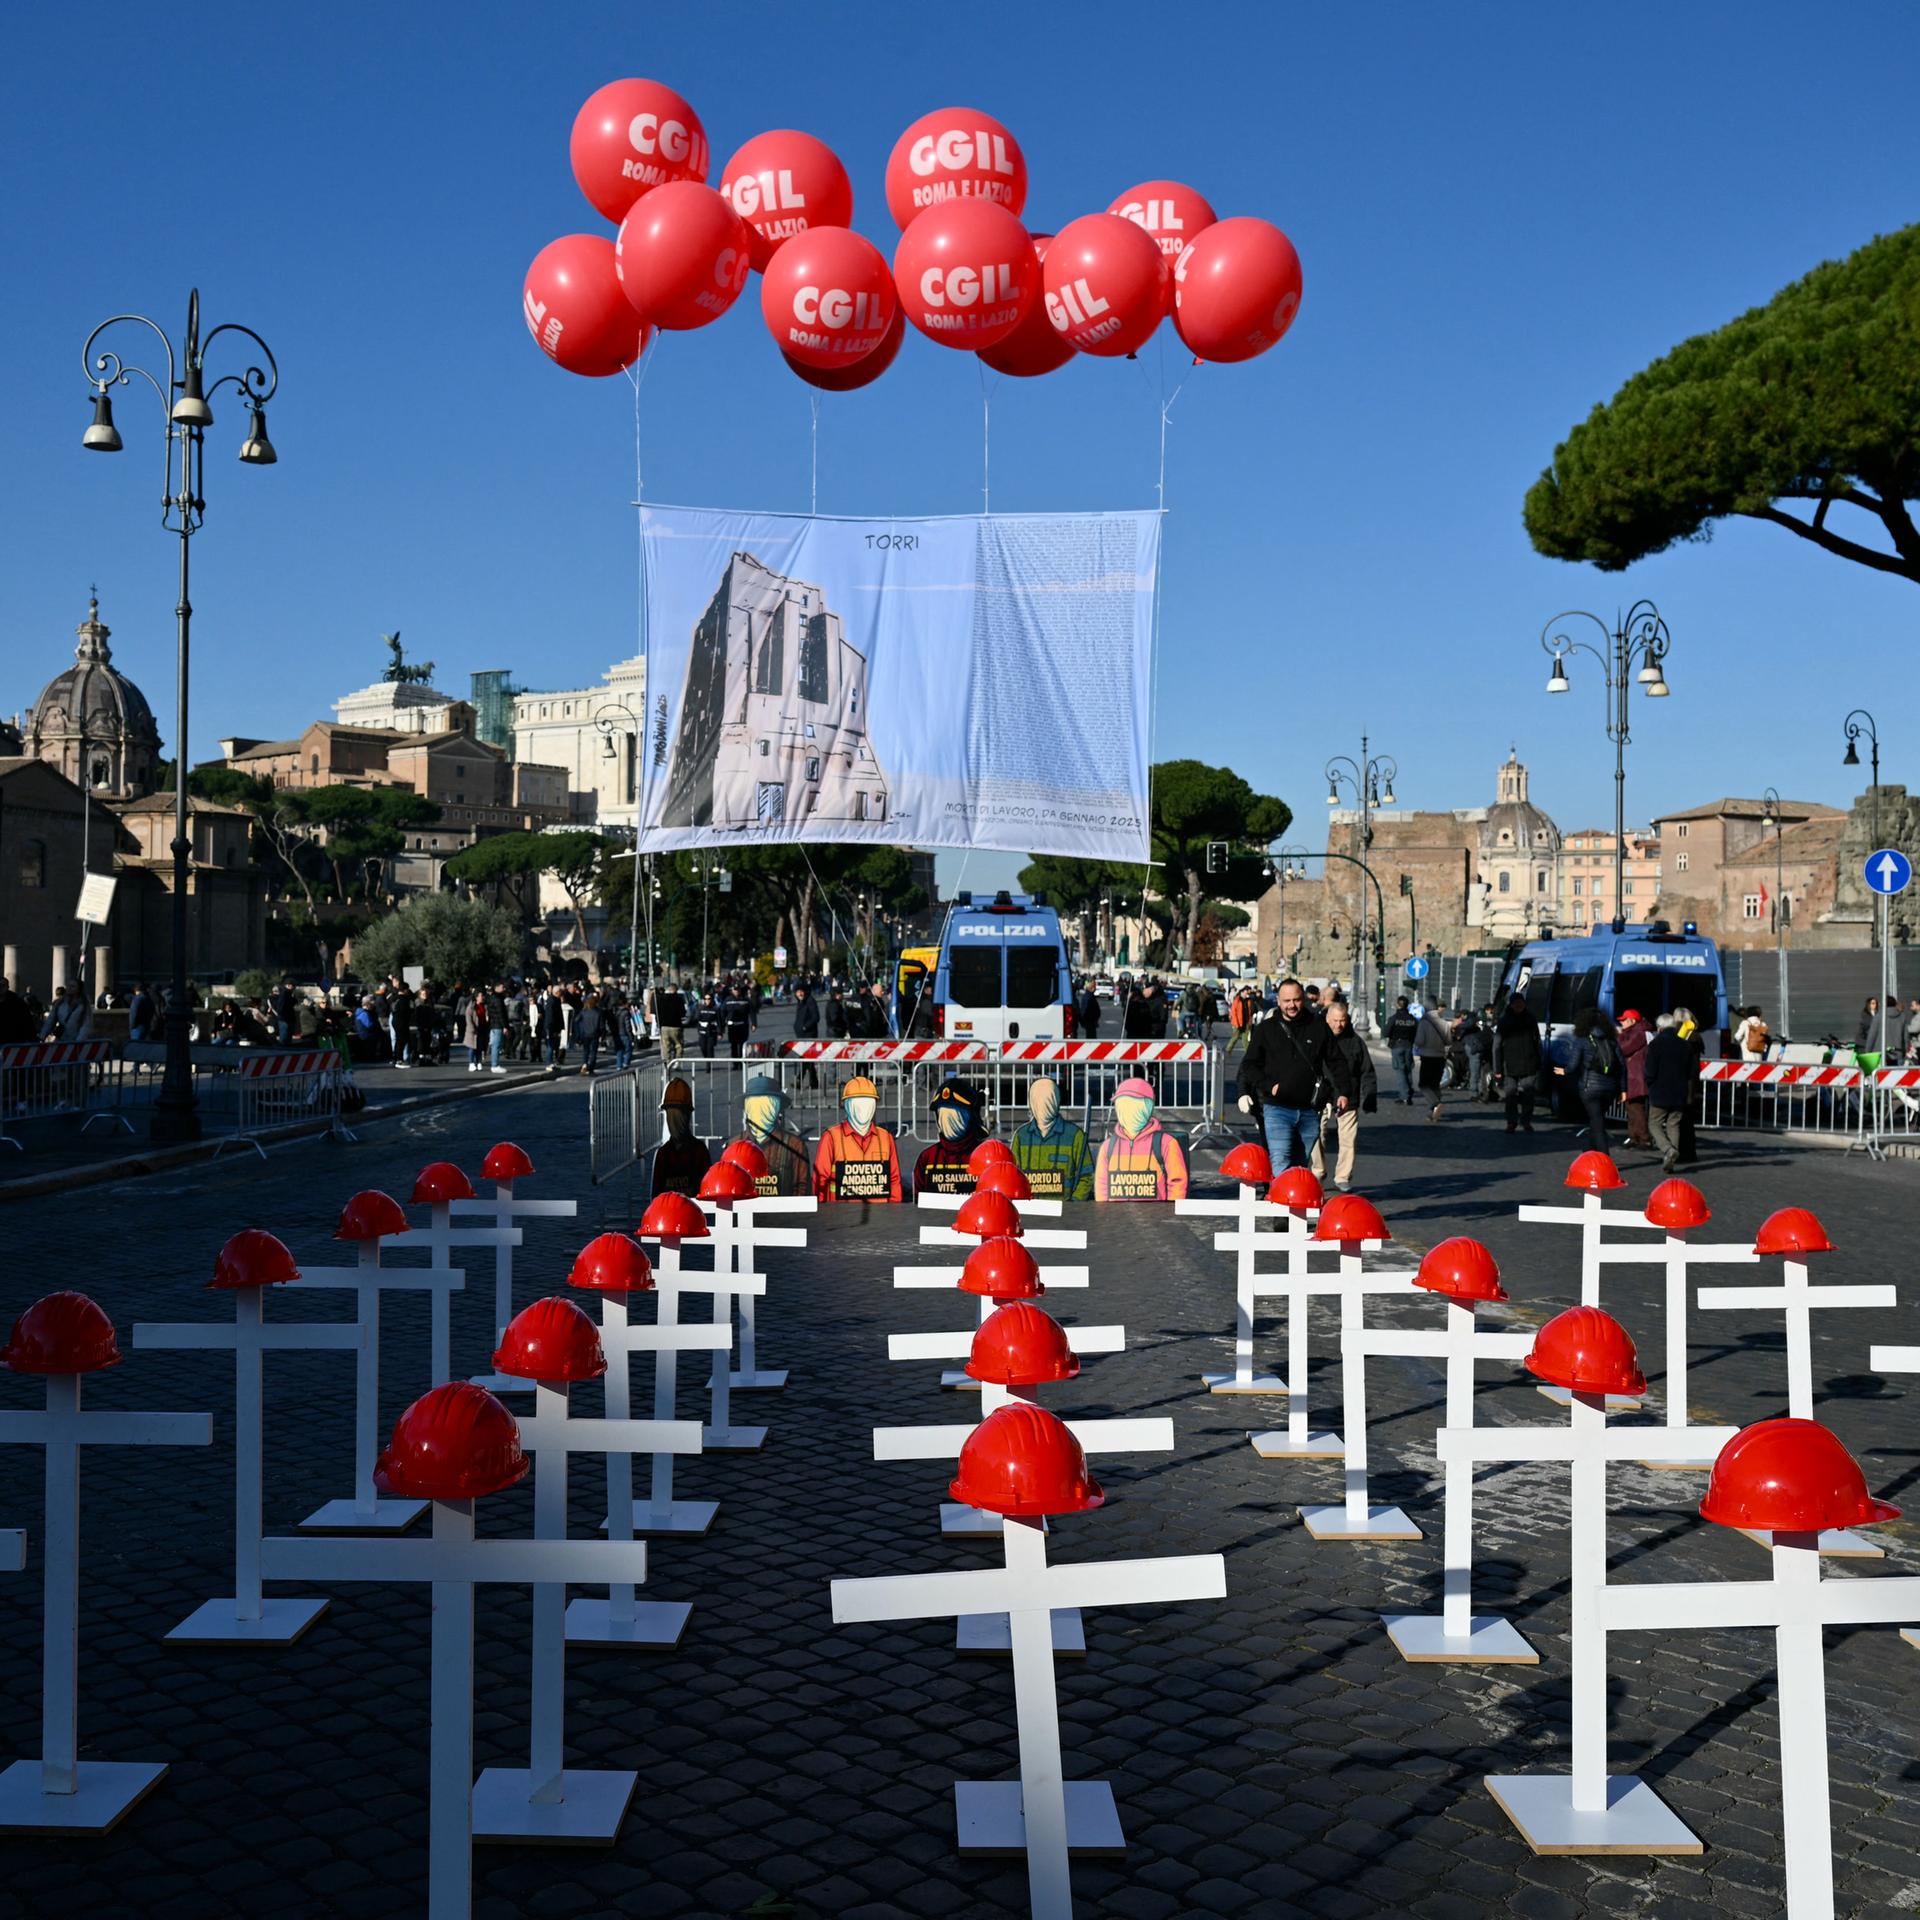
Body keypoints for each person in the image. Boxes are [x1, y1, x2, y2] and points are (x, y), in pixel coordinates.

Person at [1235, 978, 1329, 1172]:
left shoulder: (1317, 1027)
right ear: (1278, 1001)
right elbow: (1248, 1066)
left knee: (1298, 1164)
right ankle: (1278, 1198)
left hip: (1308, 1108)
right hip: (1273, 1106)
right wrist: (1250, 1091)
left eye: (1296, 1000)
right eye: (1286, 1001)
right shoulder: (1266, 1030)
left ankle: (1291, 1198)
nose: (1291, 1005)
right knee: (1279, 1158)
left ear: (1302, 999)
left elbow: (1333, 1063)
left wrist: (1337, 1093)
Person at [1311, 1000, 1376, 1193]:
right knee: (1316, 1135)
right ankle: (1318, 1170)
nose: (1339, 1025)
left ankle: (1343, 1176)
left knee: (1348, 1139)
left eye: (1342, 1020)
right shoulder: (1317, 1038)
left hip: (1349, 1096)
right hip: (1321, 1096)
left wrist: (1370, 1096)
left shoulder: (1356, 1042)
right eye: (1335, 1020)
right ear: (1327, 1018)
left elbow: (1367, 1071)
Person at [1094, 1077, 1190, 1200]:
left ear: (1145, 1108)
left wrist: (1169, 1214)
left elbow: (1177, 1183)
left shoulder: (1166, 1144)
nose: (1126, 1113)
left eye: (1131, 1108)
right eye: (1122, 1107)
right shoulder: (1108, 1147)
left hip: (1156, 1217)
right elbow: (1102, 1185)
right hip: (1117, 1216)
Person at [813, 1074, 903, 1202]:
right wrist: (823, 1214)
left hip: (879, 1216)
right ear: (847, 1105)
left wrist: (893, 1212)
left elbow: (894, 1180)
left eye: (868, 1103)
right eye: (858, 1103)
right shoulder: (831, 1138)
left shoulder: (885, 1138)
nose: (864, 1109)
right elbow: (820, 1180)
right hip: (841, 1215)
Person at [1011, 1075, 1094, 1201]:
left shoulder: (1075, 1136)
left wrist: (1074, 1204)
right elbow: (1012, 1176)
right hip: (1030, 1212)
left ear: (1056, 1101)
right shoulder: (1021, 1137)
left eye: (1048, 1100)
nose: (1043, 1106)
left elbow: (1087, 1176)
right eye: (1038, 1101)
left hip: (1064, 1215)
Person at [1555, 1008, 1622, 1154]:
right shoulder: (1612, 1041)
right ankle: (1588, 1151)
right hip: (1609, 1087)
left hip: (1589, 1086)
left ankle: (1605, 1157)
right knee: (1596, 1119)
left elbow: (1573, 1065)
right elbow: (1622, 1066)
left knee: (1597, 1122)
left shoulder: (1582, 1041)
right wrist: (1623, 1089)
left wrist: (1563, 1071)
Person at [740, 1075, 812, 1196]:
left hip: (784, 1214)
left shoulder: (795, 1146)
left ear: (776, 1107)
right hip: (745, 1214)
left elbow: (802, 1188)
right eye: (755, 1104)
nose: (760, 1110)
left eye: (767, 1104)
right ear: (747, 1107)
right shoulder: (734, 1144)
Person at [912, 1079, 986, 1195]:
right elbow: (918, 1201)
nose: (947, 1119)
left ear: (971, 1117)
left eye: (956, 1113)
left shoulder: (985, 1156)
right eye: (942, 1113)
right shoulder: (927, 1158)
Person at [1644, 1012, 1691, 1174]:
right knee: (1673, 1124)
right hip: (1679, 1092)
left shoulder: (1655, 1045)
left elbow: (1650, 1070)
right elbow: (1690, 1071)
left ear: (1660, 1027)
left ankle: (1667, 1150)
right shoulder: (1685, 1045)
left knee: (1654, 1124)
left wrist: (1649, 1083)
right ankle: (1671, 1156)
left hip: (1659, 1090)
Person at [649, 1076, 712, 1198]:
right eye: (671, 1115)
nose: (674, 1121)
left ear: (686, 1115)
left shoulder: (699, 1151)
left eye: (677, 1115)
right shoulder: (663, 1153)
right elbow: (656, 1197)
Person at [1493, 994, 1542, 1134]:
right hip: (1509, 1064)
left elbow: (1537, 1041)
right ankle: (1511, 1122)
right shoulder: (1504, 1021)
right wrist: (1497, 1069)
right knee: (1510, 1095)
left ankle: (1526, 1121)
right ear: (1511, 1004)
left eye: (1521, 1003)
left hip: (1529, 1063)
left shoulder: (1531, 1019)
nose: (1519, 1006)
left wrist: (1539, 1061)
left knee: (1528, 1095)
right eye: (1516, 1003)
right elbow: (1496, 1046)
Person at [1616, 1007, 1652, 1149]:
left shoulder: (1638, 1034)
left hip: (1635, 1077)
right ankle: (1634, 1136)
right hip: (1634, 1076)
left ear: (1632, 1020)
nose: (1622, 1024)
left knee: (1636, 1109)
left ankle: (1643, 1138)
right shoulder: (1638, 1032)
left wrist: (1619, 1036)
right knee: (1631, 1108)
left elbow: (1623, 1048)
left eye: (1624, 1020)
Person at [1414, 1003, 1452, 1121]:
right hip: (1440, 1057)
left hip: (1427, 1056)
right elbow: (1448, 1041)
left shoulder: (1424, 1022)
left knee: (1424, 1084)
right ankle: (1434, 1113)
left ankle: (1436, 1103)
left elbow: (1419, 1041)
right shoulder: (1444, 1023)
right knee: (1435, 1085)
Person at [1383, 997, 1418, 1105]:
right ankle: (1409, 1094)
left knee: (1400, 1071)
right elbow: (1417, 1033)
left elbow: (1385, 1032)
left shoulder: (1394, 1018)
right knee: (1408, 1070)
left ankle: (1404, 1096)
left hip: (1397, 1046)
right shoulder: (1412, 1019)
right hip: (1409, 1046)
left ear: (1398, 1005)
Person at [791, 983, 820, 1093]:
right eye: (798, 992)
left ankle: (799, 1080)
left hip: (809, 1034)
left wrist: (805, 1027)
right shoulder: (800, 1002)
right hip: (801, 1035)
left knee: (805, 1058)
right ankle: (814, 1082)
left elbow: (816, 1017)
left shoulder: (810, 1001)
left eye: (801, 991)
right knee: (808, 1059)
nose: (800, 993)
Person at [576, 992, 603, 1075]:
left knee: (586, 1051)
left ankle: (585, 1064)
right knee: (593, 1052)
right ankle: (591, 1067)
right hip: (595, 1034)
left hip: (585, 1033)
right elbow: (601, 1025)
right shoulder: (598, 1012)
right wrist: (602, 1034)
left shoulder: (584, 1012)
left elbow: (576, 1020)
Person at [695, 987, 724, 1058]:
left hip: (711, 1033)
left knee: (710, 1049)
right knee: (703, 1048)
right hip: (702, 1032)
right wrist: (699, 1029)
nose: (707, 1001)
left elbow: (719, 1021)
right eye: (706, 999)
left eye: (709, 999)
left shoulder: (716, 1009)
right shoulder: (701, 1009)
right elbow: (697, 1020)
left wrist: (720, 1033)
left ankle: (709, 1066)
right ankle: (706, 1058)